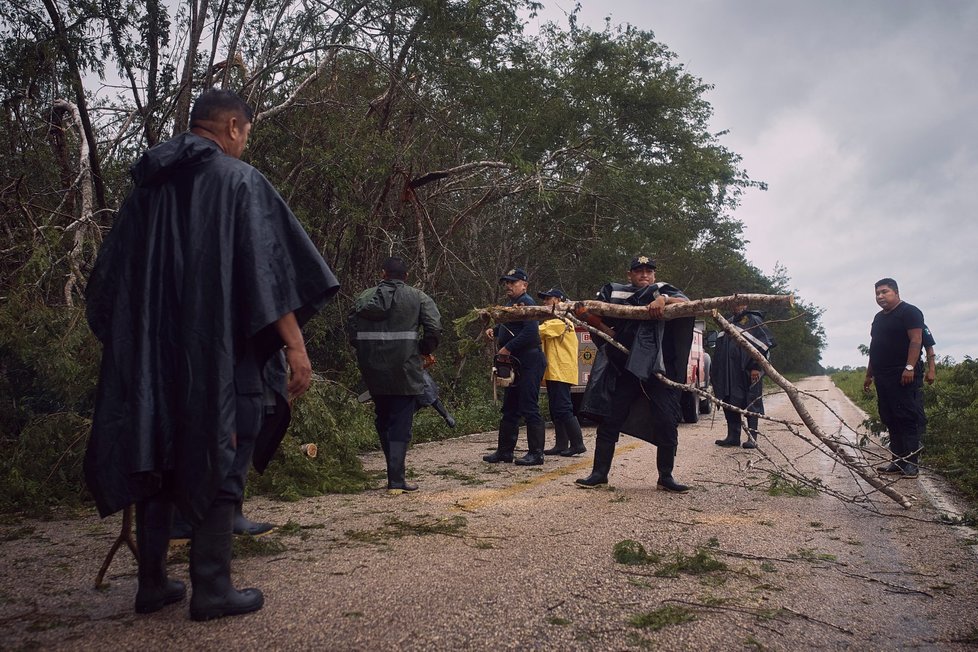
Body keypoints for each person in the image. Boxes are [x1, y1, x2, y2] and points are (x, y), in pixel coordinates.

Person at [84, 89, 340, 621]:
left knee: (157, 457)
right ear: (231, 127)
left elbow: (107, 286)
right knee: (225, 456)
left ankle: (151, 585)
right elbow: (268, 276)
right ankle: (213, 589)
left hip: (152, 365)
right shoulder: (239, 182)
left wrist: (138, 350)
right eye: (246, 132)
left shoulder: (145, 193)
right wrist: (296, 348)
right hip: (223, 360)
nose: (244, 142)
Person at [575, 256, 694, 492]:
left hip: (658, 371)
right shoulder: (616, 294)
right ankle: (599, 474)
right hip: (626, 368)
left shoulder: (664, 291)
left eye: (649, 271)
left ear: (654, 275)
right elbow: (604, 328)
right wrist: (588, 318)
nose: (644, 275)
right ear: (629, 274)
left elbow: (687, 305)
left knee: (667, 421)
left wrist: (663, 299)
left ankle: (666, 477)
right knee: (610, 419)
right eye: (638, 271)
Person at [348, 257, 442, 493]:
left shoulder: (364, 297)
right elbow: (434, 328)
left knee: (383, 417)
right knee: (401, 421)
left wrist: (366, 352)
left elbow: (352, 328)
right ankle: (396, 480)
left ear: (383, 274)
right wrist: (424, 349)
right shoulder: (418, 297)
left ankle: (394, 475)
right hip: (405, 368)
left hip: (372, 368)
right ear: (406, 276)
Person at [482, 268, 548, 466]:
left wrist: (507, 348)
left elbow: (530, 333)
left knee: (529, 406)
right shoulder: (510, 305)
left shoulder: (527, 303)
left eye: (513, 282)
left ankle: (536, 454)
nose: (508, 286)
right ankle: (504, 452)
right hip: (515, 364)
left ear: (524, 285)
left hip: (530, 360)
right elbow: (510, 326)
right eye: (507, 283)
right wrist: (494, 330)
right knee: (510, 407)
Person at [863, 278, 925, 478]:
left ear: (896, 292)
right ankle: (897, 461)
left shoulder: (909, 312)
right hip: (883, 374)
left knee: (907, 417)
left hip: (904, 374)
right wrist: (869, 374)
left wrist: (909, 367)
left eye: (884, 292)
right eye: (877, 293)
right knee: (890, 417)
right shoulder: (879, 318)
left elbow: (916, 340)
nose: (880, 296)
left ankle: (911, 463)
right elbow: (875, 347)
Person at [711, 305, 776, 450]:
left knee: (751, 401)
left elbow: (763, 345)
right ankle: (733, 437)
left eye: (740, 303)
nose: (737, 306)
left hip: (747, 370)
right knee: (730, 400)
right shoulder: (728, 322)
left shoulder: (753, 319)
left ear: (746, 304)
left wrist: (756, 367)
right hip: (729, 371)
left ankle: (752, 438)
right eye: (735, 303)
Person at [537, 287, 586, 456]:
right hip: (553, 370)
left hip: (561, 370)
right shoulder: (555, 319)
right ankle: (561, 444)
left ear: (558, 300)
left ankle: (578, 444)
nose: (544, 302)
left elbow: (539, 332)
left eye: (547, 299)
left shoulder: (562, 319)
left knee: (563, 408)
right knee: (555, 408)